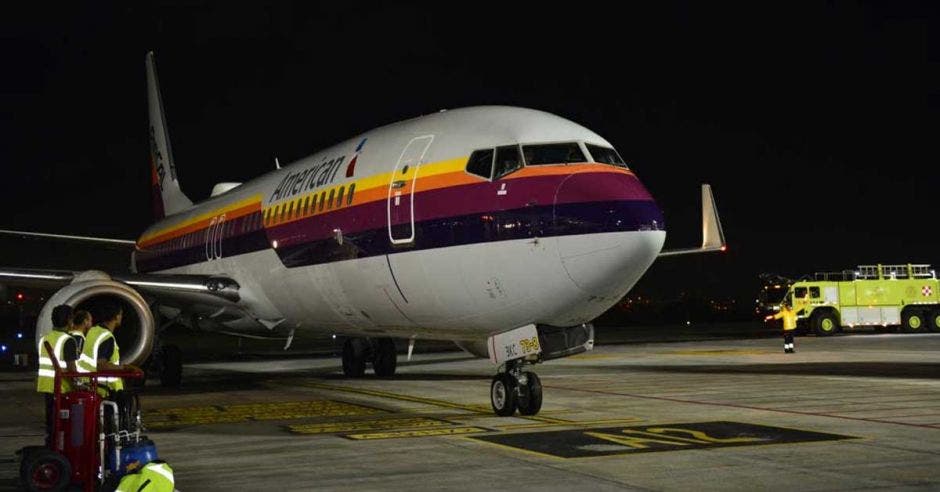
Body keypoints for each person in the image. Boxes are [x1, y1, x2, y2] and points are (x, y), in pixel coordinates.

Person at [36, 304, 80, 444]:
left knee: (52, 424)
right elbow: (71, 369)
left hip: (47, 386)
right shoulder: (68, 340)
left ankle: (51, 448)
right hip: (62, 388)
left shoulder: (45, 339)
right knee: (64, 426)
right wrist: (80, 385)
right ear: (69, 320)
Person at [78, 302, 136, 395]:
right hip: (104, 390)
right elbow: (101, 365)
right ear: (116, 317)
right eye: (121, 314)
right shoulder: (107, 337)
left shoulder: (93, 331)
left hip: (88, 385)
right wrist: (124, 368)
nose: (121, 317)